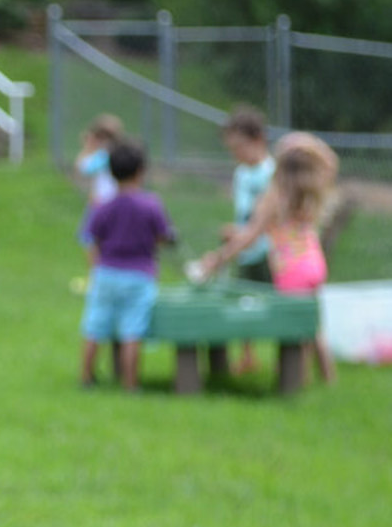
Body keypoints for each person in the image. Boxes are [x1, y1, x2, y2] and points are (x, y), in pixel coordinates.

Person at [200, 131, 338, 383]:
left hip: (291, 271)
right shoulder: (310, 191)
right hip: (314, 265)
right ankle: (328, 379)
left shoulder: (274, 199)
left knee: (295, 333)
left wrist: (217, 259)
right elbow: (330, 161)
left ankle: (296, 380)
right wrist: (303, 142)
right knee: (313, 325)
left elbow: (248, 237)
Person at [80, 136, 175, 390]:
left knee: (95, 326)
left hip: (106, 273)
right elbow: (163, 237)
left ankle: (86, 377)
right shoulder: (151, 204)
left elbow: (91, 238)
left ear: (109, 171)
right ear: (141, 171)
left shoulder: (103, 206)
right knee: (133, 331)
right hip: (139, 275)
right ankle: (130, 383)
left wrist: (96, 266)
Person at [217, 106, 275, 373]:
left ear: (258, 140)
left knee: (277, 304)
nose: (236, 154)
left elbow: (267, 220)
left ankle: (289, 361)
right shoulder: (241, 173)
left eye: (240, 147)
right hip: (245, 249)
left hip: (271, 252)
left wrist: (241, 237)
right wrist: (234, 231)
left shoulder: (272, 174)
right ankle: (248, 356)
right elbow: (245, 215)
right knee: (242, 300)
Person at [75, 113, 123, 253]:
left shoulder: (104, 155)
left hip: (102, 202)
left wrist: (88, 147)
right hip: (110, 202)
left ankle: (96, 272)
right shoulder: (116, 153)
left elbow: (83, 167)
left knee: (92, 241)